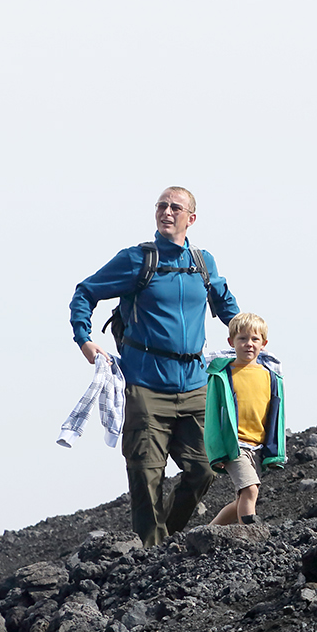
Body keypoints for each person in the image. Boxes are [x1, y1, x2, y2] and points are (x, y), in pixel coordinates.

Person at [69, 186, 240, 546]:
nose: (167, 211)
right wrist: (84, 338)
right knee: (146, 473)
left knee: (204, 469)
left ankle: (169, 538)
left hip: (194, 385)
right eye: (161, 205)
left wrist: (246, 335)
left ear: (191, 218)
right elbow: (85, 291)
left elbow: (226, 304)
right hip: (146, 385)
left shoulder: (202, 262)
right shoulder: (137, 260)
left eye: (175, 207)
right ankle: (150, 551)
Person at [205, 312, 285, 525]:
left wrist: (276, 451)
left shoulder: (270, 376)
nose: (248, 344)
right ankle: (249, 537)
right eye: (242, 339)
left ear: (264, 343)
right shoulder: (222, 376)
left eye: (254, 339)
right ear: (231, 342)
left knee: (242, 497)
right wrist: (217, 450)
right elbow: (213, 416)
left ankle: (208, 532)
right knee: (250, 490)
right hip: (234, 446)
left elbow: (276, 415)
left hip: (257, 447)